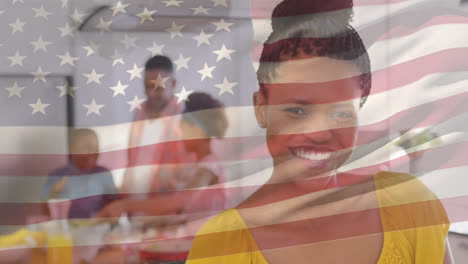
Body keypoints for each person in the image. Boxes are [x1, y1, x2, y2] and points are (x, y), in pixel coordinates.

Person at [185, 0, 450, 263]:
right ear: (261, 108)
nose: (320, 134)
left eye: (341, 114)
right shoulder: (221, 244)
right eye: (297, 111)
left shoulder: (408, 206)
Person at [96, 92, 228, 223]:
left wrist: (126, 205)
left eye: (183, 128)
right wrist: (162, 222)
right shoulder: (197, 167)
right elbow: (191, 213)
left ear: (197, 130)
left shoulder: (209, 167)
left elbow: (181, 201)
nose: (180, 135)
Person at [121, 55, 189, 196]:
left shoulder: (183, 117)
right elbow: (132, 159)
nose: (151, 93)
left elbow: (186, 172)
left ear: (173, 83)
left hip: (164, 205)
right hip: (133, 204)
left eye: (157, 88)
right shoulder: (139, 112)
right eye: (147, 87)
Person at [41, 128, 117, 218]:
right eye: (87, 147)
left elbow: (115, 204)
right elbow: (45, 210)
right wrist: (53, 193)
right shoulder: (58, 175)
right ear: (72, 149)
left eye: (96, 148)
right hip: (67, 228)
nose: (93, 152)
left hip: (97, 227)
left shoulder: (103, 173)